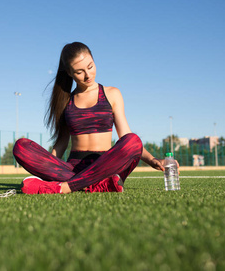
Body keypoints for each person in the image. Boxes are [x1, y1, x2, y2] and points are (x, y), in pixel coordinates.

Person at [13, 42, 178, 194]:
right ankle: (96, 184)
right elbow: (61, 143)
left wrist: (153, 160)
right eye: (79, 72)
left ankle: (65, 187)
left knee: (133, 140)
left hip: (106, 167)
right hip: (72, 169)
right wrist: (48, 169)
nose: (87, 75)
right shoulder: (65, 101)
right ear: (69, 73)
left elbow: (125, 135)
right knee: (21, 146)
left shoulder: (112, 94)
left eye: (90, 67)